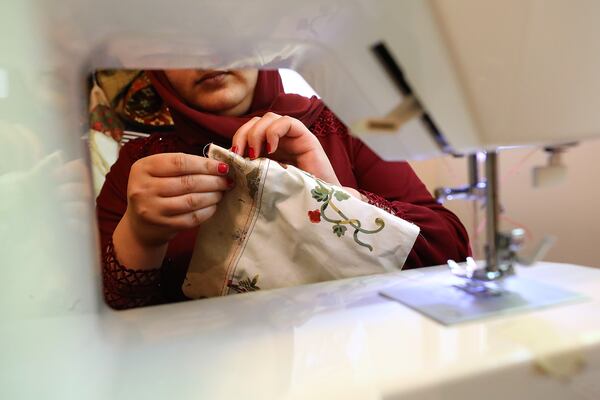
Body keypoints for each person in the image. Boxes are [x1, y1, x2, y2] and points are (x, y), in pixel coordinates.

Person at [97, 69, 470, 310]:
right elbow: (102, 317)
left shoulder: (342, 129)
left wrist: (335, 200)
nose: (207, 56)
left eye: (228, 34)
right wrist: (141, 238)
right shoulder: (138, 168)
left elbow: (449, 248)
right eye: (177, 43)